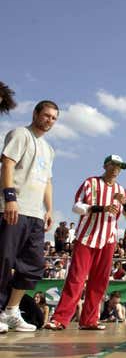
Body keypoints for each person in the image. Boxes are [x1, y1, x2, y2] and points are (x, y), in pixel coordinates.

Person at [45, 155, 126, 330]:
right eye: (113, 165)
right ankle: (60, 319)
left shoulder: (121, 190)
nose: (116, 169)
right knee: (76, 279)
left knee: (99, 282)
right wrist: (99, 208)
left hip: (108, 240)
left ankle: (89, 320)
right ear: (105, 165)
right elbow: (76, 207)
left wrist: (125, 205)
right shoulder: (90, 183)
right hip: (86, 237)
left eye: (120, 167)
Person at [0, 100, 58, 333]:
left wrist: (49, 209)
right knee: (3, 261)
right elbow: (7, 164)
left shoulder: (49, 149)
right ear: (35, 114)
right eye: (46, 116)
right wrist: (10, 197)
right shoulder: (20, 134)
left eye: (54, 118)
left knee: (33, 265)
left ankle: (11, 310)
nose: (49, 121)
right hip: (14, 207)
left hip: (35, 214)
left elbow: (47, 181)